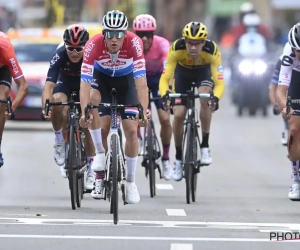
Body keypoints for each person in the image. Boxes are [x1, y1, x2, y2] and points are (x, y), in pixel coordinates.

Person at [79, 10, 148, 203]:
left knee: (132, 132)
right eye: (109, 34)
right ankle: (100, 157)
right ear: (104, 34)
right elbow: (84, 82)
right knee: (100, 121)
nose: (114, 39)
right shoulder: (92, 45)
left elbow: (141, 82)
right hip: (103, 82)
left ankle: (131, 182)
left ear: (125, 34)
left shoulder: (134, 43)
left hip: (126, 83)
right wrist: (85, 110)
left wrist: (143, 109)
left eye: (119, 34)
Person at [159, 22, 225, 181]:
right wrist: (165, 95)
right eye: (190, 43)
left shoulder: (212, 50)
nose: (193, 47)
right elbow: (165, 77)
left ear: (204, 43)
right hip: (182, 74)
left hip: (203, 73)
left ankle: (205, 146)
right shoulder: (176, 48)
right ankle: (179, 159)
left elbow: (220, 82)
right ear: (184, 41)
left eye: (197, 43)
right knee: (179, 114)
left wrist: (215, 98)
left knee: (205, 97)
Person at [41, 24, 95, 191]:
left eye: (79, 49)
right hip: (64, 83)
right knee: (57, 101)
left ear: (85, 47)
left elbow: (97, 86)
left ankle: (93, 169)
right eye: (70, 48)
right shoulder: (59, 55)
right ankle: (59, 141)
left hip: (85, 85)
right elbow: (49, 86)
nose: (74, 52)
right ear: (65, 45)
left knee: (87, 120)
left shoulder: (92, 55)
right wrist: (46, 106)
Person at [132, 14, 173, 180]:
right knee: (135, 114)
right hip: (139, 82)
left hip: (158, 82)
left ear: (153, 34)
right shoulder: (131, 46)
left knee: (164, 119)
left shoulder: (162, 44)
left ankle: (165, 158)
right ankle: (139, 138)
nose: (144, 39)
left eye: (148, 35)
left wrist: (168, 90)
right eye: (140, 35)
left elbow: (168, 69)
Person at [276, 22, 300, 201]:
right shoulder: (289, 54)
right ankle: (296, 179)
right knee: (294, 128)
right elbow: (281, 90)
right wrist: (286, 107)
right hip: (296, 80)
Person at [0, 31, 28, 167]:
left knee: (1, 99)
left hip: (2, 70)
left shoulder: (5, 49)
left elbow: (23, 86)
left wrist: (12, 107)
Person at [269, 51, 289, 146]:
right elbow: (274, 86)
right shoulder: (283, 60)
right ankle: (287, 128)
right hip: (290, 85)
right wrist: (276, 105)